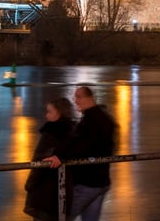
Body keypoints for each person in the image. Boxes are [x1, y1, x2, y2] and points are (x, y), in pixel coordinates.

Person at [43, 86, 118, 221]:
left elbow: (81, 145)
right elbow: (108, 146)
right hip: (102, 181)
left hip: (87, 183)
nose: (75, 101)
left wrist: (60, 157)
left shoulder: (89, 121)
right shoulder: (106, 119)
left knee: (60, 217)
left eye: (78, 97)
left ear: (88, 98)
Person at [24, 97, 76, 220]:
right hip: (65, 191)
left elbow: (38, 161)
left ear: (59, 113)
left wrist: (29, 185)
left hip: (45, 193)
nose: (46, 116)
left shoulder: (50, 134)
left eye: (50, 112)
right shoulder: (74, 131)